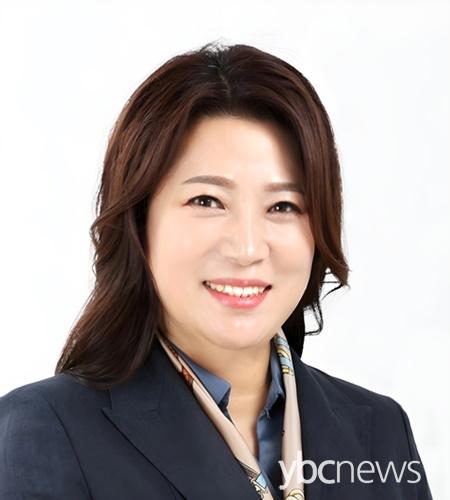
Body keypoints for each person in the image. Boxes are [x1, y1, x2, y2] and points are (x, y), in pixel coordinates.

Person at [0, 41, 433, 500]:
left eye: (283, 205)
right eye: (207, 201)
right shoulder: (45, 431)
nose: (247, 249)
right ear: (139, 222)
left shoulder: (380, 433)